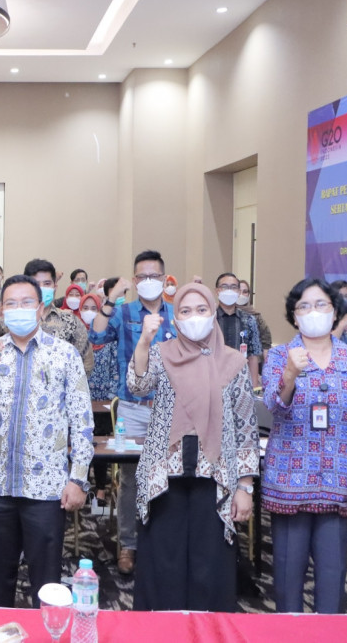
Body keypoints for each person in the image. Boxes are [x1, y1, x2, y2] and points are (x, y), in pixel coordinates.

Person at [0, 274, 94, 608]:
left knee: (46, 583)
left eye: (27, 302)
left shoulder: (64, 354)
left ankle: (47, 631)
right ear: (1, 311)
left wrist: (78, 479)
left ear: (40, 308)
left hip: (45, 490)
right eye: (11, 303)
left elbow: (82, 421)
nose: (19, 309)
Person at [129, 283, 259, 611]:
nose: (194, 317)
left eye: (201, 310)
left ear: (213, 314)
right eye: (185, 311)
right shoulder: (162, 353)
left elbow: (245, 426)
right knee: (164, 562)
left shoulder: (233, 362)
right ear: (175, 318)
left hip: (215, 476)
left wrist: (245, 487)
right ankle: (161, 630)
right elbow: (138, 385)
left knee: (209, 564)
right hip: (164, 476)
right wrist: (144, 341)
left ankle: (207, 629)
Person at [261, 278, 347, 613]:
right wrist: (290, 372)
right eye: (304, 305)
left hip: (340, 486)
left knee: (332, 579)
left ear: (335, 312)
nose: (313, 311)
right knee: (287, 579)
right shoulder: (279, 356)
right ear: (294, 315)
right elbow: (274, 405)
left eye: (321, 305)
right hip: (290, 483)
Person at [88, 249, 173, 575]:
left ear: (163, 279)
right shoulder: (123, 312)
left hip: (169, 409)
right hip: (132, 409)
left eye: (155, 276)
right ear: (135, 281)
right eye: (143, 276)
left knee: (169, 475)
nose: (149, 281)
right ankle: (128, 544)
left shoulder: (177, 314)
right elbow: (96, 335)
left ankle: (160, 541)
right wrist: (110, 298)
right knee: (129, 478)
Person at [0, 259, 94, 374]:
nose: (41, 288)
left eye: (47, 284)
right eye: (36, 284)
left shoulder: (71, 322)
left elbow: (86, 361)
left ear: (55, 287)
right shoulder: (15, 317)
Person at [78, 289, 119, 503]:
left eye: (94, 308)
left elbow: (115, 370)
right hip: (82, 401)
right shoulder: (78, 338)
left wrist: (109, 399)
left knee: (100, 446)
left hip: (104, 403)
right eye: (85, 308)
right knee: (82, 444)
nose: (89, 312)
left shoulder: (109, 339)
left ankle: (101, 488)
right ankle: (82, 485)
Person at [213, 273, 262, 382]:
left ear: (239, 292)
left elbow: (253, 356)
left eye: (233, 287)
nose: (229, 290)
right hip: (213, 378)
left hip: (240, 379)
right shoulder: (210, 319)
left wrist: (254, 386)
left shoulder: (249, 320)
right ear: (217, 291)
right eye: (224, 287)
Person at [238, 279, 271, 358]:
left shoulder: (255, 316)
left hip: (253, 358)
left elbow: (266, 341)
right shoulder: (226, 314)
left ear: (249, 294)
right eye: (238, 291)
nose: (241, 295)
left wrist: (266, 363)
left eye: (245, 292)